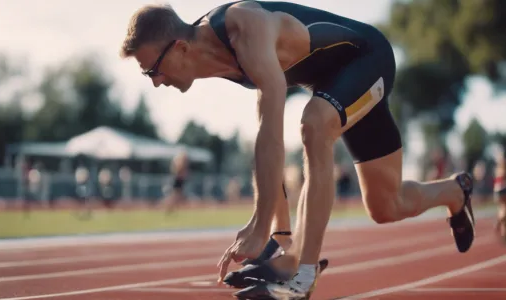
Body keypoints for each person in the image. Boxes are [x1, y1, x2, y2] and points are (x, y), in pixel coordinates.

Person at [120, 1, 475, 299]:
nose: (155, 81)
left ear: (180, 48)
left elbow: (273, 133)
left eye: (153, 69)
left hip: (369, 58)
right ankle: (455, 192)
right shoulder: (220, 56)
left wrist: (261, 227)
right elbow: (265, 132)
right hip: (335, 84)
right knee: (386, 205)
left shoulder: (244, 26)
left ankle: (303, 276)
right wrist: (278, 233)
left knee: (313, 125)